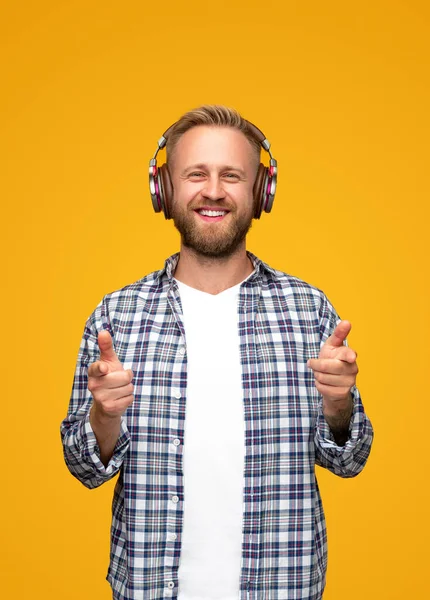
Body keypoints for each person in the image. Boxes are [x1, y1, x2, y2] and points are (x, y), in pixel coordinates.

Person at [61, 105, 373, 600]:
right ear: (164, 189)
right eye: (195, 174)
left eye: (231, 175)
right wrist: (104, 416)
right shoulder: (117, 316)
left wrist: (339, 406)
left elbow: (350, 459)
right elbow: (82, 467)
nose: (212, 191)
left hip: (283, 587)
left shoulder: (308, 309)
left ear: (259, 192)